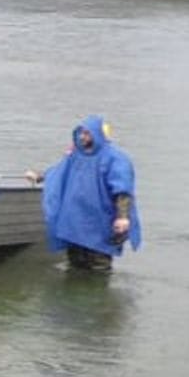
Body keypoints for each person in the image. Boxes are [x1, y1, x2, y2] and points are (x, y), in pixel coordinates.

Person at [32, 115, 142, 272]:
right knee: (75, 268)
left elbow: (122, 190)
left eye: (87, 133)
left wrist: (123, 217)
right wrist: (39, 177)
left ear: (98, 134)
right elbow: (59, 171)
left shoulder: (115, 158)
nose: (82, 136)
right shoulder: (76, 156)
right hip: (74, 224)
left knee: (99, 268)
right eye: (81, 132)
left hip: (99, 223)